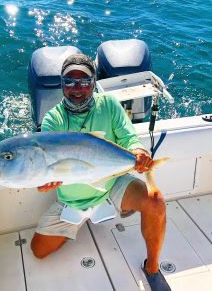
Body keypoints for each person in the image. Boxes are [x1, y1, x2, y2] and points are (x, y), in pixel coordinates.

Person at [30, 54, 171, 291]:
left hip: (110, 183)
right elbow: (48, 164)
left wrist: (137, 151)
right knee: (39, 251)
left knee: (155, 202)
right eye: (70, 81)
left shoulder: (109, 104)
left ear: (94, 82)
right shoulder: (53, 119)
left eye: (84, 81)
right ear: (62, 84)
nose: (77, 88)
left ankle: (153, 268)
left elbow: (129, 137)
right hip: (73, 198)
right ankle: (78, 221)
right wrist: (44, 181)